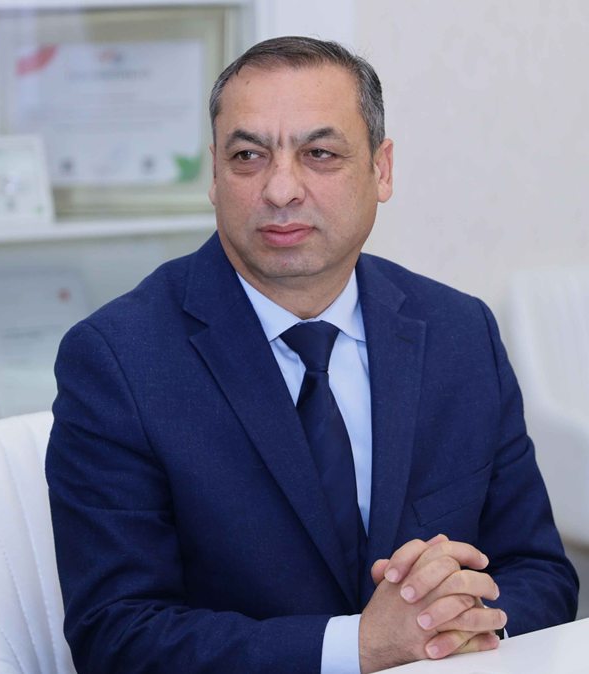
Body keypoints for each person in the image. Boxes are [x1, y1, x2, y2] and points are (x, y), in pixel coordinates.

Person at [46, 36, 578, 674]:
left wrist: (455, 628)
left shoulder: (459, 332)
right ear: (214, 174)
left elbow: (538, 571)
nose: (280, 189)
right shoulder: (119, 360)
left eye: (320, 153)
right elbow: (117, 635)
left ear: (382, 169)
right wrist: (359, 647)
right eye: (248, 156)